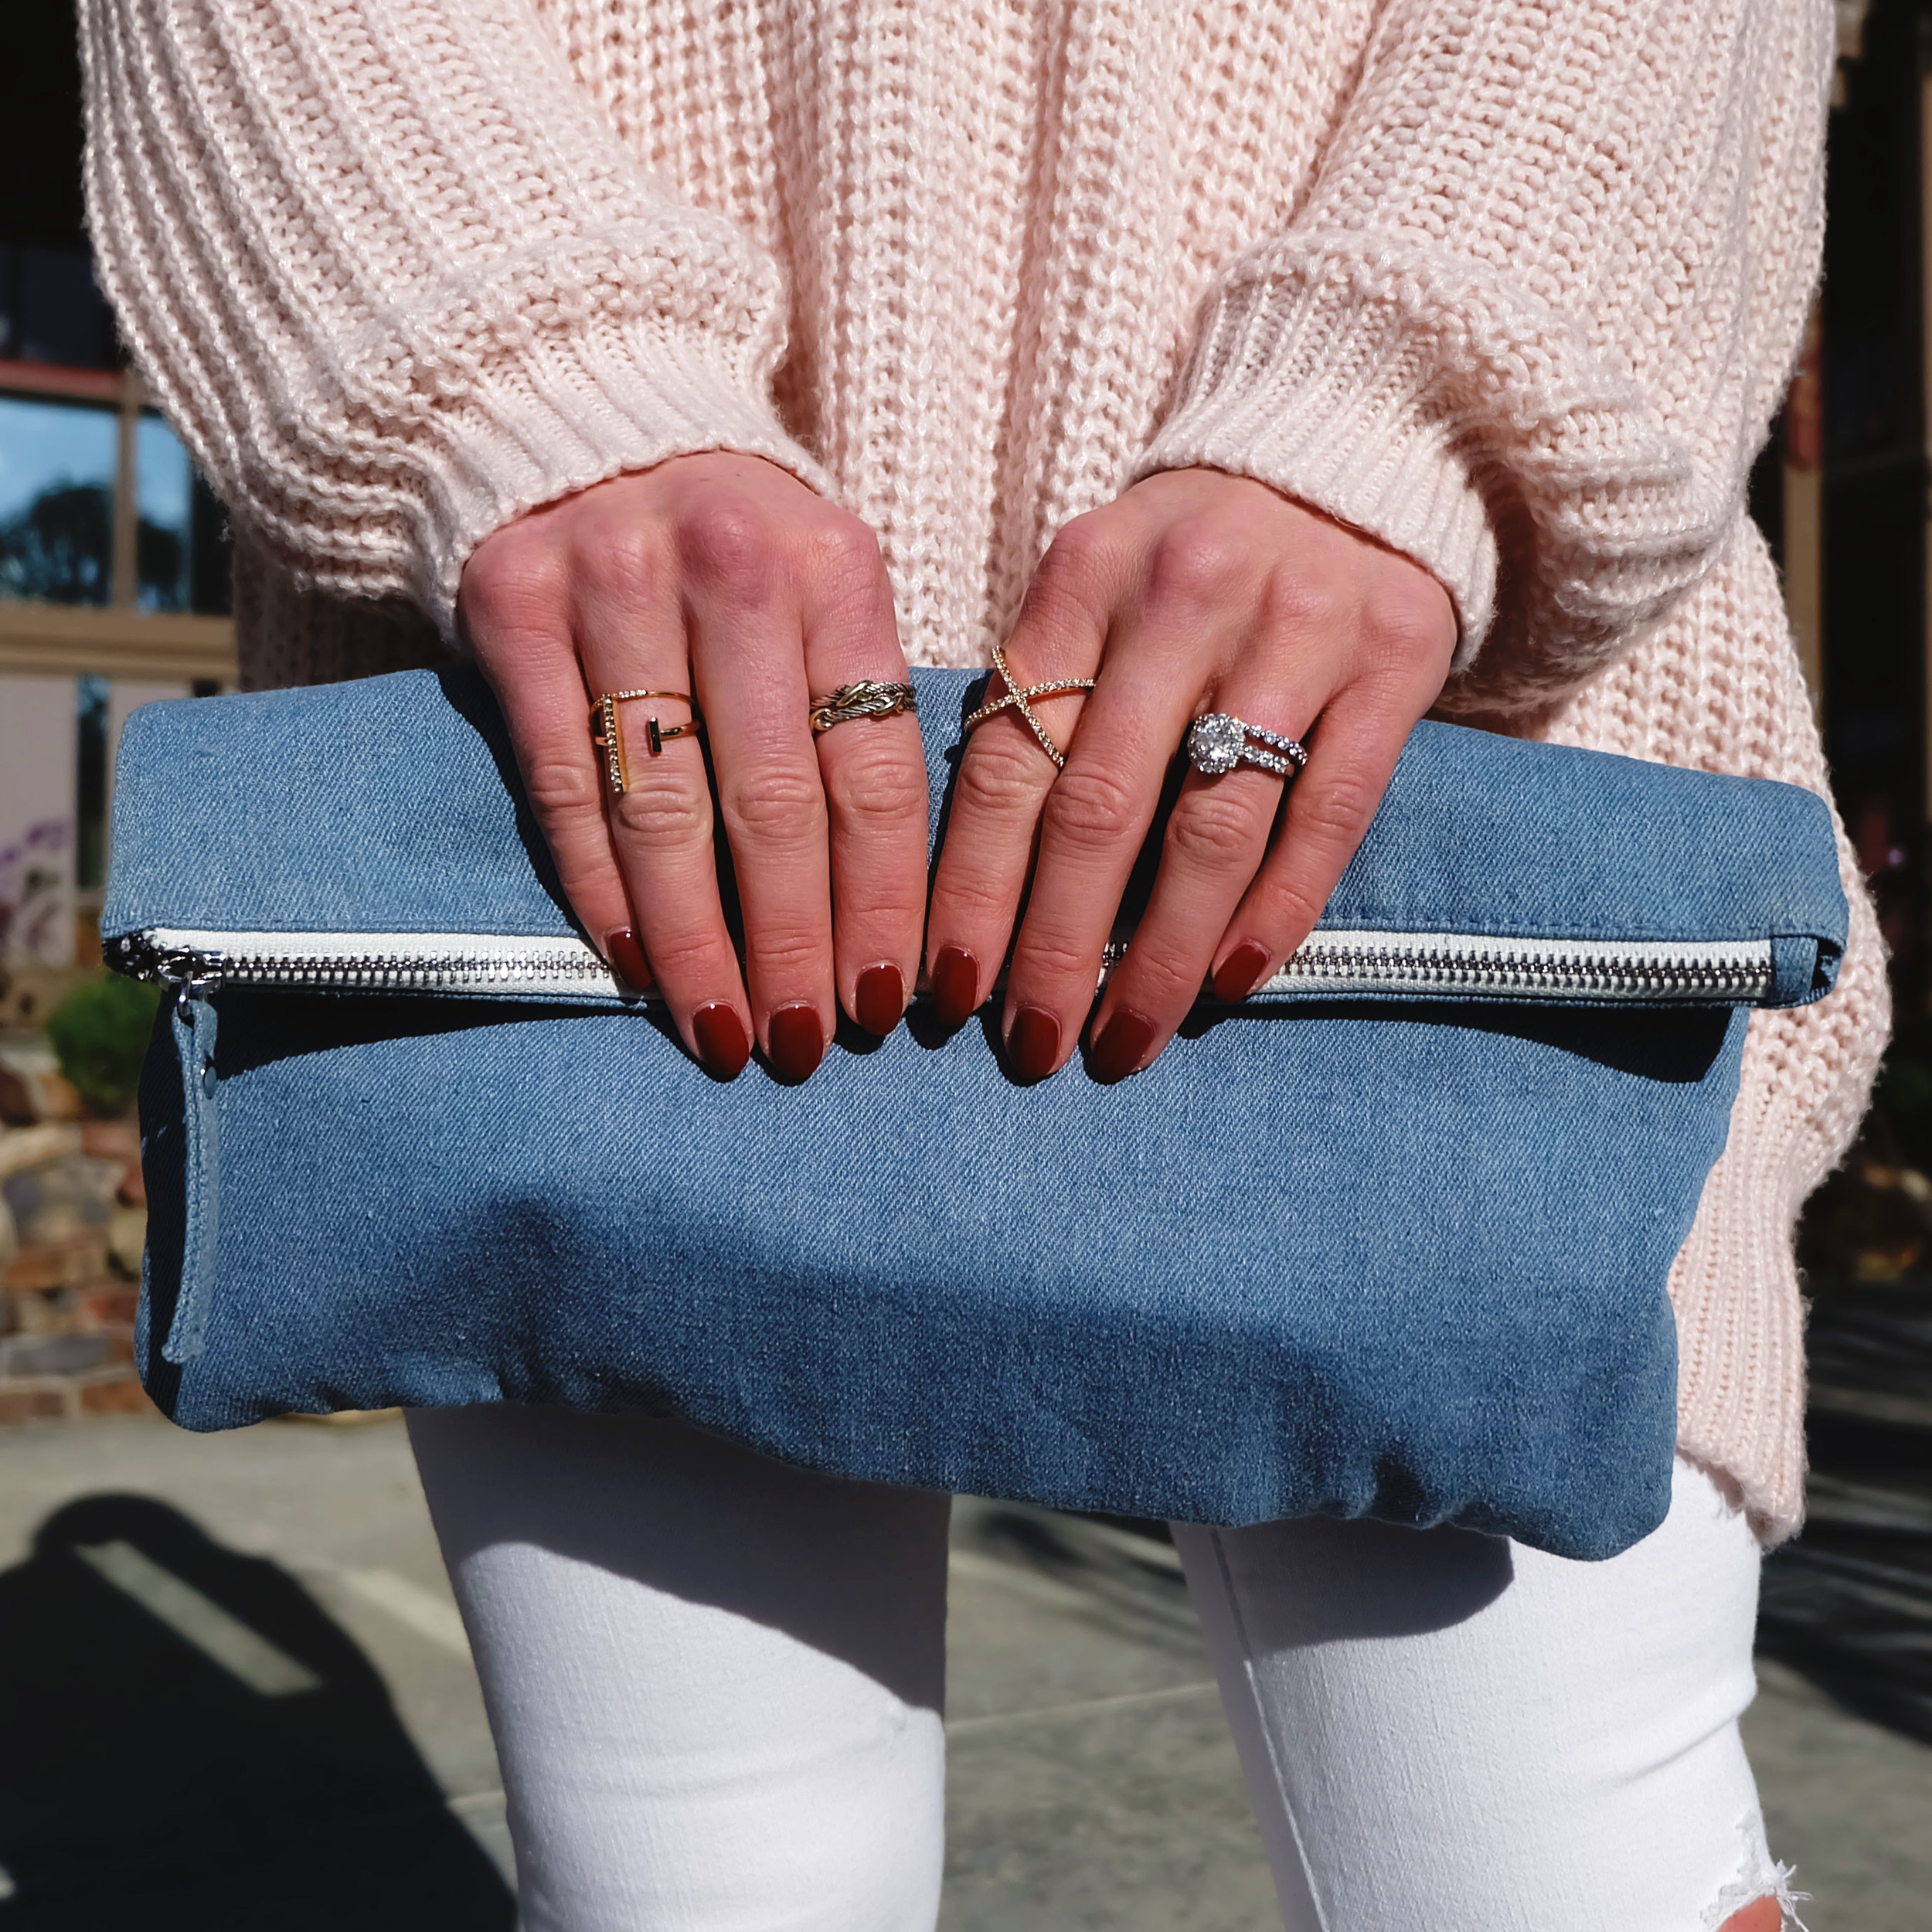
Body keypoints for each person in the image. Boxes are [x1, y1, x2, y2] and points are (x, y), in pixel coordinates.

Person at [79, 2, 1886, 1927]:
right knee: (708, 1894)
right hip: (616, 753)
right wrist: (525, 384)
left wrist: (1401, 409)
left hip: (1410, 730)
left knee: (1572, 1879)